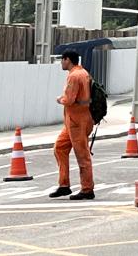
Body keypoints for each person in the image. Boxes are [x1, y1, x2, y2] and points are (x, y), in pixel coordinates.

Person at [50, 50, 95, 200]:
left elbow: (69, 100)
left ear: (67, 60)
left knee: (82, 155)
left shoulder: (74, 76)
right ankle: (64, 185)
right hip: (75, 120)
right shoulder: (83, 72)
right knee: (60, 148)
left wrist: (59, 99)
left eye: (62, 60)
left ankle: (87, 189)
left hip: (77, 121)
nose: (61, 63)